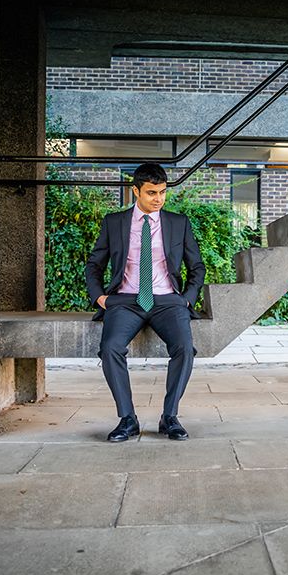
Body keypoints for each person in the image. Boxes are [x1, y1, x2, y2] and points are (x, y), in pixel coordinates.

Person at [85, 163, 206, 442]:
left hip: (168, 300)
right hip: (126, 301)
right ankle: (127, 419)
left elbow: (196, 267)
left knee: (185, 348)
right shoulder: (114, 223)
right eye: (152, 193)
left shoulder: (178, 223)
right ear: (135, 190)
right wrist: (100, 296)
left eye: (163, 192)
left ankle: (170, 417)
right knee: (110, 348)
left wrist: (187, 299)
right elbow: (94, 264)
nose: (159, 199)